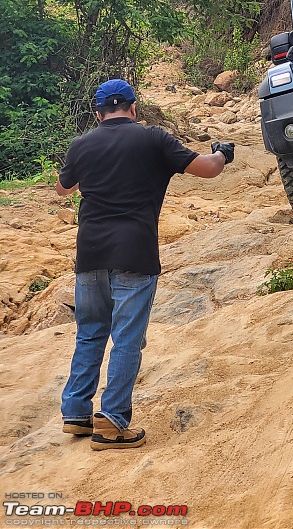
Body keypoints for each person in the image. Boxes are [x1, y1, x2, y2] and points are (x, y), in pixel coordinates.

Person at [56, 78, 234, 451]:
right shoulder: (153, 138)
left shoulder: (81, 144)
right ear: (134, 108)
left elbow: (63, 188)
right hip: (134, 253)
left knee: (90, 331)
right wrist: (222, 154)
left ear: (97, 113)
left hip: (88, 254)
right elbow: (207, 169)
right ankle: (112, 422)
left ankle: (75, 412)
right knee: (126, 339)